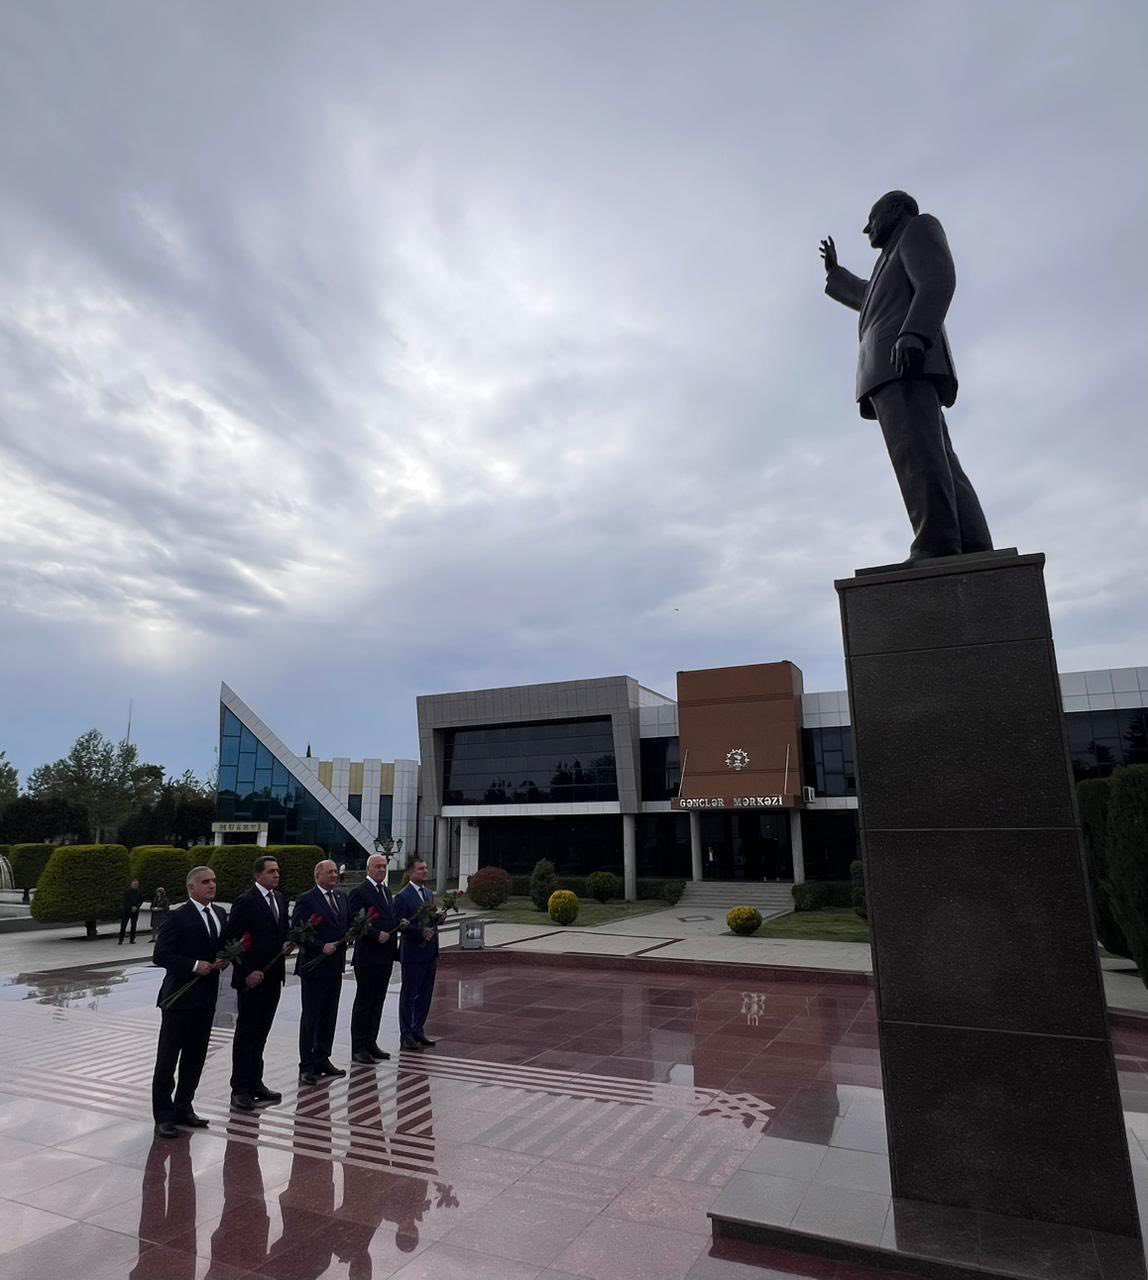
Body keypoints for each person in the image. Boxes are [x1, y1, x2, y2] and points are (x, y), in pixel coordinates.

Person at [820, 190, 993, 563]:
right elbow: (869, 297)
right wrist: (836, 274)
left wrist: (914, 333)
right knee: (936, 456)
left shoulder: (918, 228)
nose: (867, 228)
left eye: (872, 218)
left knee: (918, 456)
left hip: (903, 360)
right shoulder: (889, 257)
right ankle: (973, 543)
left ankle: (936, 543)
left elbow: (937, 279)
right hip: (892, 365)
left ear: (897, 209)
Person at [151, 865, 230, 1139]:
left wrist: (224, 958)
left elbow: (221, 946)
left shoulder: (220, 914)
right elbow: (161, 955)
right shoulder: (177, 917)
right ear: (191, 887)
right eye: (205, 882)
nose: (212, 885)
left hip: (206, 999)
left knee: (195, 1058)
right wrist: (195, 965)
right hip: (179, 999)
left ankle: (184, 1107)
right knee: (168, 1059)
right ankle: (163, 1116)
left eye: (214, 881)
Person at [225, 854, 292, 1111]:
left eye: (278, 871)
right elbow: (232, 940)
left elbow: (281, 930)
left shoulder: (280, 899)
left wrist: (288, 942)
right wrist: (246, 972)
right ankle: (239, 1088)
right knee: (247, 1033)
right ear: (258, 875)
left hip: (273, 976)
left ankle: (255, 1083)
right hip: (252, 979)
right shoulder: (246, 901)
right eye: (271, 871)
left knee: (261, 1033)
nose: (276, 874)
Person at [292, 859, 349, 1086]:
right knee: (311, 1017)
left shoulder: (341, 897)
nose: (334, 875)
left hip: (335, 967)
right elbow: (298, 932)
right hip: (314, 967)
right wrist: (319, 946)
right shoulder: (307, 899)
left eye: (336, 871)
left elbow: (344, 925)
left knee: (329, 1015)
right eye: (330, 872)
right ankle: (306, 1066)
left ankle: (322, 1058)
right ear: (318, 876)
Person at [347, 850, 399, 1064]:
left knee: (378, 1001)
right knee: (365, 1002)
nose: (382, 869)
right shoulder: (359, 891)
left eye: (384, 866)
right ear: (368, 868)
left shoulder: (386, 891)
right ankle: (358, 1047)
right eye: (378, 866)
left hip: (385, 956)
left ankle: (371, 1042)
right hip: (368, 956)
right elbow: (353, 920)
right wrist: (375, 934)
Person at [394, 859, 439, 1052]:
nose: (425, 871)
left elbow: (430, 919)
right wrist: (419, 932)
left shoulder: (428, 893)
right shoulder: (403, 896)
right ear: (411, 873)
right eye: (421, 869)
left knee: (425, 994)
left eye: (426, 868)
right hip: (413, 954)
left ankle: (418, 1028)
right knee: (409, 995)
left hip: (430, 953)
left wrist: (438, 919)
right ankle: (406, 1034)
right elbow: (399, 923)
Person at [119, 878, 144, 945]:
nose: (135, 885)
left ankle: (132, 939)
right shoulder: (127, 891)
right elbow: (125, 900)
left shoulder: (139, 892)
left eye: (137, 884)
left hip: (135, 910)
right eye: (134, 884)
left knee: (133, 925)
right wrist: (131, 907)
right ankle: (121, 939)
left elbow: (141, 900)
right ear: (131, 884)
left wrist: (137, 907)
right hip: (127, 910)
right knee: (123, 925)